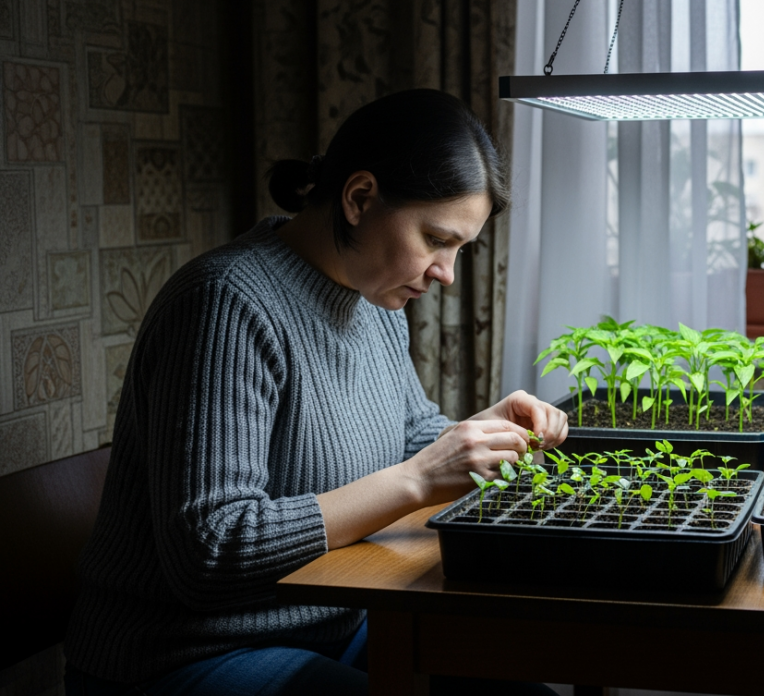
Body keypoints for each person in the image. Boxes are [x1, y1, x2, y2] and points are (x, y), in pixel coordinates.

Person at [63, 89, 565, 696]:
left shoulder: (373, 300)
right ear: (359, 198)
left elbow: (407, 437)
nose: (446, 273)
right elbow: (211, 552)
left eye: (460, 248)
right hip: (183, 651)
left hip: (336, 623)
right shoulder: (225, 303)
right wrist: (419, 479)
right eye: (436, 239)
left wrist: (484, 434)